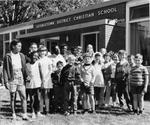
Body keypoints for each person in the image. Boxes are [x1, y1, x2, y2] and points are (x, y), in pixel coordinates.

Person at [3, 39, 28, 120]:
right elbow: (5, 69)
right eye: (19, 46)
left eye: (20, 46)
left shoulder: (22, 55)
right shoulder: (8, 56)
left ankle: (24, 114)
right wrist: (6, 81)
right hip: (12, 77)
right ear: (13, 46)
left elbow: (25, 67)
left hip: (20, 76)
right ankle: (13, 113)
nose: (20, 47)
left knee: (23, 96)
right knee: (13, 96)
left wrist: (27, 75)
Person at [26, 51, 43, 118]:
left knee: (38, 98)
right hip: (30, 84)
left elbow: (41, 73)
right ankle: (32, 112)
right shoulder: (27, 65)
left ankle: (38, 111)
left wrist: (42, 82)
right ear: (31, 56)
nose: (35, 57)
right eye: (34, 55)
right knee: (32, 98)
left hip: (38, 83)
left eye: (36, 56)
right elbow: (26, 74)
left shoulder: (38, 63)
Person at [38, 45, 53, 115]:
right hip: (40, 79)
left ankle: (47, 109)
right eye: (41, 51)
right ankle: (41, 109)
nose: (42, 52)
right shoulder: (38, 60)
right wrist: (41, 79)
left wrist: (46, 78)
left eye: (44, 51)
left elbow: (50, 69)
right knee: (41, 95)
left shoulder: (48, 60)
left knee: (46, 94)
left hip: (47, 79)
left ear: (46, 52)